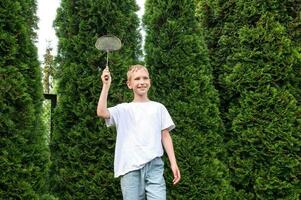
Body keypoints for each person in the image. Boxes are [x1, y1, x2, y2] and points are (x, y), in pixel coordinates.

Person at [97, 64, 181, 200]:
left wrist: (173, 163)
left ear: (150, 82)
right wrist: (106, 85)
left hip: (155, 166)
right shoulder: (123, 109)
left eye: (145, 78)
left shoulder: (158, 108)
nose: (142, 82)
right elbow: (101, 112)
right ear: (129, 84)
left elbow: (165, 136)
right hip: (130, 167)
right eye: (137, 79)